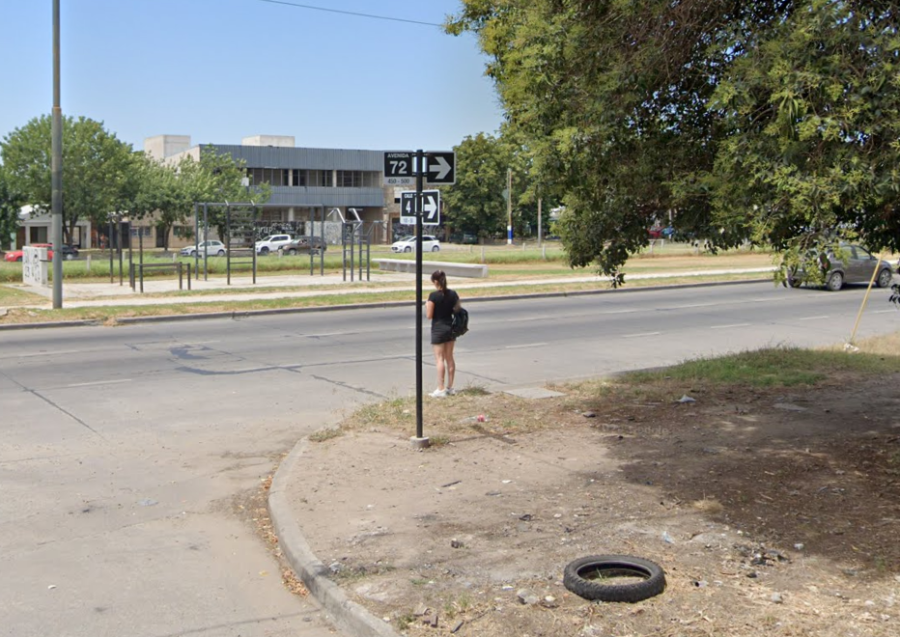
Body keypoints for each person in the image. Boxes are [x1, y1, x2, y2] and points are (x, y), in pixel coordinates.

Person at [425, 270, 460, 398]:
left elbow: (429, 315)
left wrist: (426, 305)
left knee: (439, 359)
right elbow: (457, 310)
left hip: (438, 329)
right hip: (450, 327)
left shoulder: (433, 296)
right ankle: (450, 387)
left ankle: (441, 388)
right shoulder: (453, 294)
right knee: (449, 358)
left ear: (435, 281)